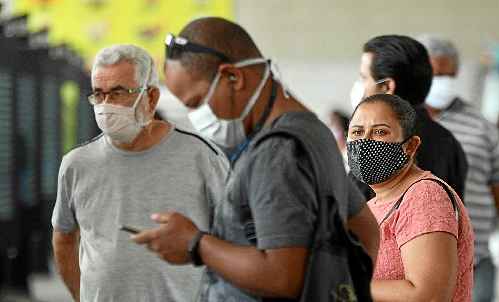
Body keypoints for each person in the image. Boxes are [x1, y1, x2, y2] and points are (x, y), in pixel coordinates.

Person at [132, 17, 380, 301]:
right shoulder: (312, 130)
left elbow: (282, 277)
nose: (196, 116)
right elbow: (366, 230)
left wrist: (196, 243)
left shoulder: (276, 153)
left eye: (196, 102)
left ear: (233, 78)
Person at [51, 44, 228, 302]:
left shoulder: (203, 157)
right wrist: (82, 296)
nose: (106, 105)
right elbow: (64, 238)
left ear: (152, 97)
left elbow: (234, 241)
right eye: (98, 94)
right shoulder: (77, 164)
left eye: (118, 92)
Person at [347, 93, 474, 302]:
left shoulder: (424, 196)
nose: (364, 142)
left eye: (380, 132)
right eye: (357, 132)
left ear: (410, 146)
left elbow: (429, 296)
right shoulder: (371, 206)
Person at [419, 35, 499, 302]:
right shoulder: (398, 124)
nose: (441, 82)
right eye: (435, 74)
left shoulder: (481, 128)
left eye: (448, 76)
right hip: (413, 262)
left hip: (474, 260)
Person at [349, 35, 468, 201]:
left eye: (364, 78)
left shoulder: (376, 144)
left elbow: (353, 216)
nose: (360, 86)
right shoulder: (449, 142)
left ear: (386, 87)